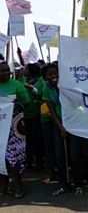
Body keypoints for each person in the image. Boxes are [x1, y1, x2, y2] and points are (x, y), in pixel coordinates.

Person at [0, 62, 30, 198]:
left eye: (7, 70)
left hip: (14, 130)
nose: (5, 73)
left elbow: (26, 101)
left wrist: (15, 102)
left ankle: (18, 186)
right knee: (1, 157)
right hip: (1, 129)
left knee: (13, 159)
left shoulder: (17, 85)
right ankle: (4, 186)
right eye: (1, 71)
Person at [42, 63, 69, 196]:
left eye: (55, 73)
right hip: (58, 124)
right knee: (59, 155)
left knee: (74, 154)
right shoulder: (46, 90)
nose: (53, 76)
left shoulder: (66, 84)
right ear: (45, 77)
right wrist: (60, 127)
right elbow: (51, 111)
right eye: (50, 74)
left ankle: (77, 182)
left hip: (72, 122)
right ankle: (63, 183)